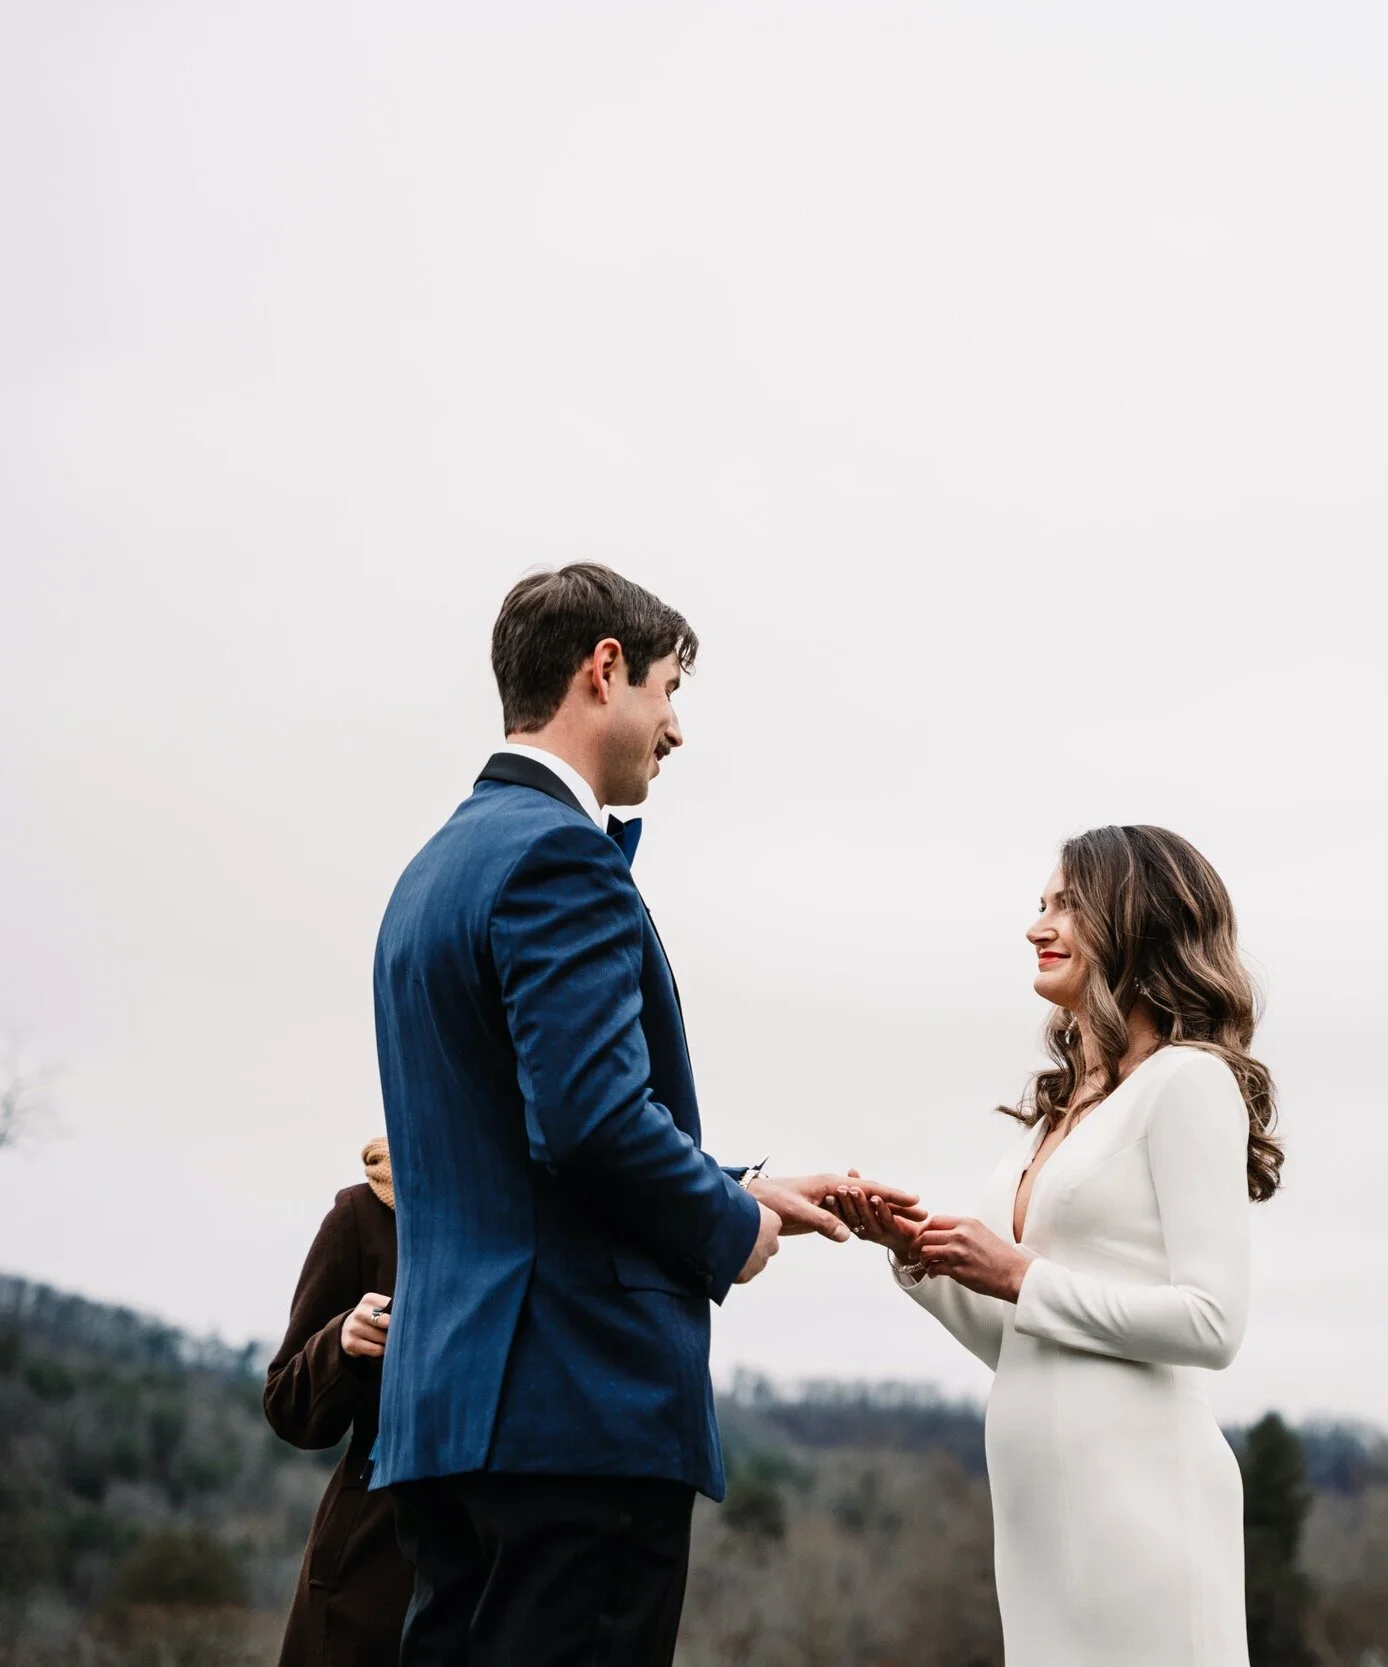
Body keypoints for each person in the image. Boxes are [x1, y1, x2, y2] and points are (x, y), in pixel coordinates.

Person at [372, 563, 921, 1667]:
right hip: (575, 1406)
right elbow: (585, 1123)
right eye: (669, 689)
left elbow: (519, 1144)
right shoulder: (558, 856)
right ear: (603, 668)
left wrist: (732, 1179)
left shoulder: (430, 872)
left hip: (445, 1416)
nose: (674, 728)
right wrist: (728, 1229)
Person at [834, 824, 1283, 1667]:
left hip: (1144, 1508)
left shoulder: (1185, 1083)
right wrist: (915, 1254)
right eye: (1038, 905)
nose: (1037, 926)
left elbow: (1212, 1323)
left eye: (1066, 905)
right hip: (1040, 1520)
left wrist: (1019, 1272)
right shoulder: (1057, 1113)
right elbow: (1017, 1338)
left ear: (1135, 920)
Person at [265, 1138, 412, 1667]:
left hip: (512, 1560)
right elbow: (287, 1405)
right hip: (376, 1564)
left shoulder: (548, 1212)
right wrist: (341, 1342)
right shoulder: (365, 1212)